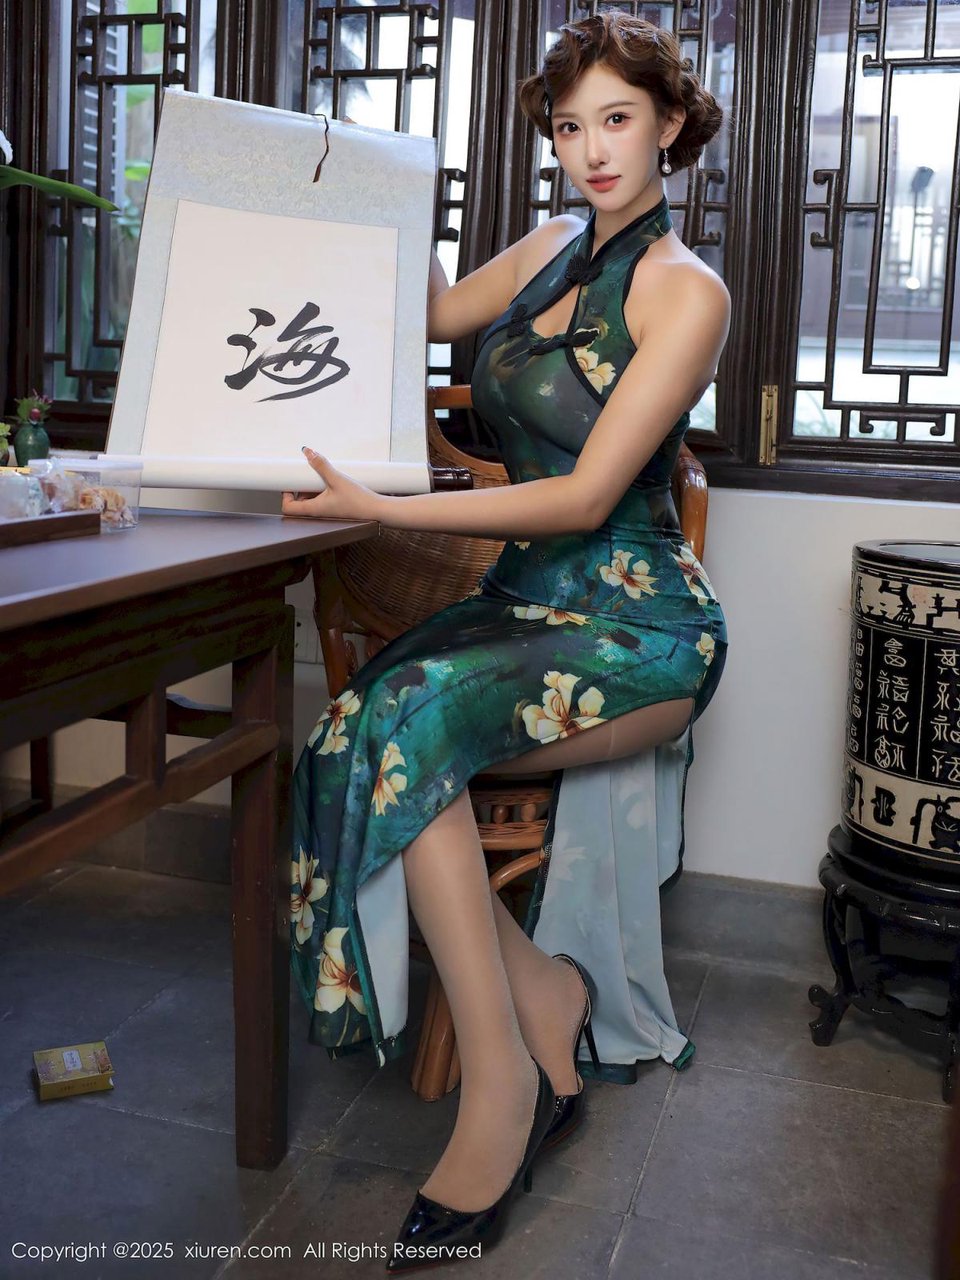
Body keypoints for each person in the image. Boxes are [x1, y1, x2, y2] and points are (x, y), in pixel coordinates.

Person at [282, 11, 729, 1270]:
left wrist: (387, 507)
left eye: (618, 120)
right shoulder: (543, 249)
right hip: (522, 608)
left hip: (637, 624)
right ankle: (543, 993)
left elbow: (584, 499)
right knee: (362, 724)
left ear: (670, 125)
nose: (593, 151)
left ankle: (503, 1086)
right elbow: (428, 313)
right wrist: (387, 175)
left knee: (408, 723)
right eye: (570, 127)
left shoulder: (688, 291)